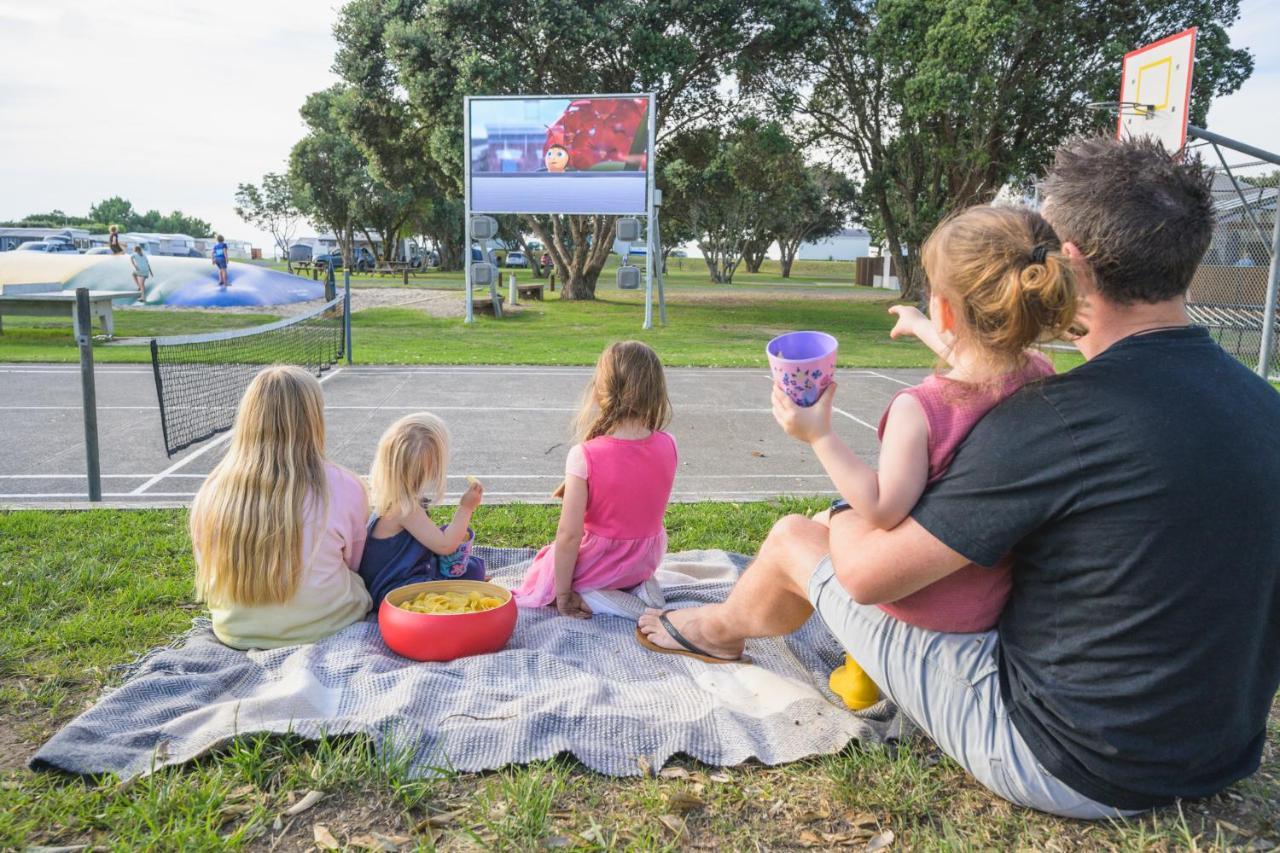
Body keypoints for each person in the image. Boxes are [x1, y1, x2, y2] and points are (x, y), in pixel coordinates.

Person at [638, 136, 1280, 818]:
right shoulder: (1262, 403)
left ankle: (717, 628)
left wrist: (839, 509)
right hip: (1219, 751)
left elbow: (867, 575)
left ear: (1070, 266)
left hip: (1067, 760)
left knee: (801, 536)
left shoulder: (1057, 419)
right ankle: (735, 618)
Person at [806, 205, 1076, 705]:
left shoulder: (920, 409)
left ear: (947, 310)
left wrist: (819, 435)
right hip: (993, 601)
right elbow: (980, 362)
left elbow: (885, 509)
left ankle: (861, 673)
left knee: (829, 525)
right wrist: (919, 325)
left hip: (923, 608)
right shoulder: (1038, 373)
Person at [189, 365, 371, 650]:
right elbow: (355, 563)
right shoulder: (347, 486)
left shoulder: (212, 490)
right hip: (328, 625)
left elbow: (207, 562)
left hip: (235, 630)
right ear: (314, 418)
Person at [513, 341, 676, 618]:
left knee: (543, 574)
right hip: (644, 561)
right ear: (655, 391)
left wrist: (563, 595)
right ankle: (637, 587)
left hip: (601, 564)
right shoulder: (669, 444)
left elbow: (569, 535)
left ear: (601, 390)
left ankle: (598, 597)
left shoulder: (585, 455)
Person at [358, 413, 485, 605]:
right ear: (433, 468)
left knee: (473, 568)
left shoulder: (397, 499)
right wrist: (466, 508)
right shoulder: (405, 508)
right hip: (398, 589)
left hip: (408, 574)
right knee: (469, 578)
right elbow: (446, 546)